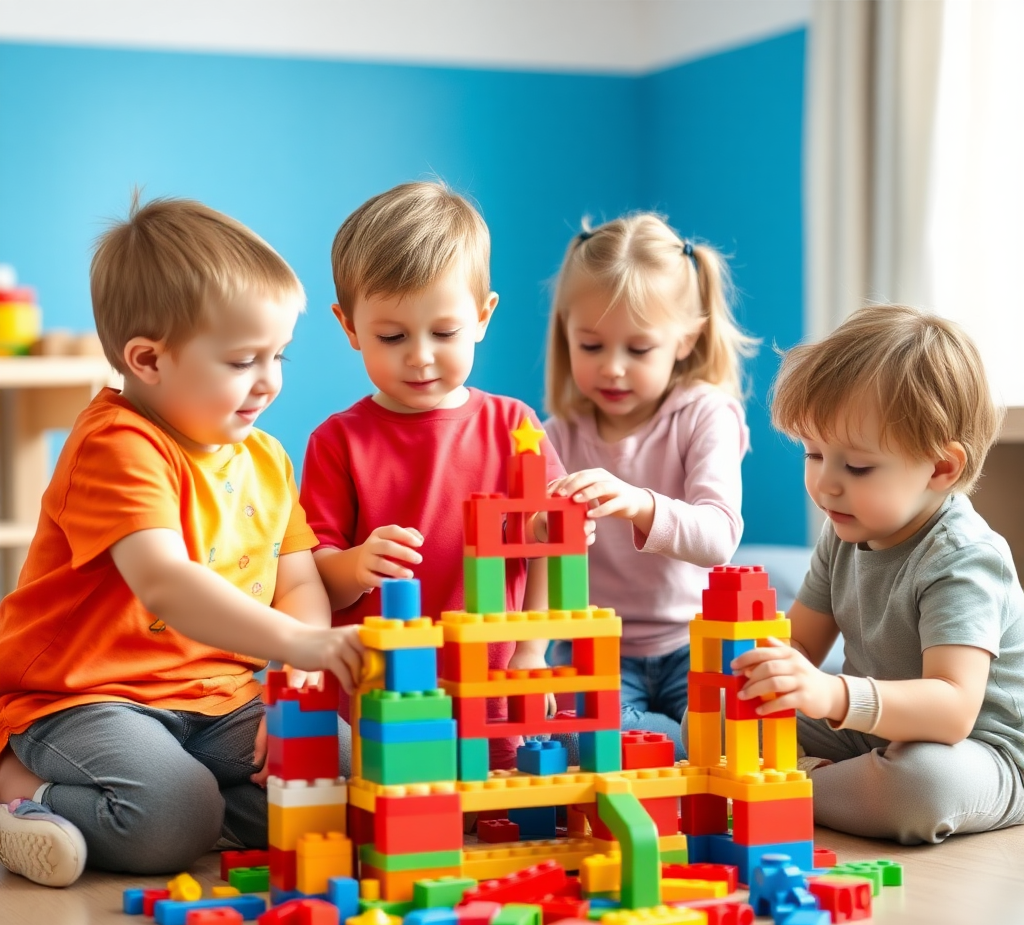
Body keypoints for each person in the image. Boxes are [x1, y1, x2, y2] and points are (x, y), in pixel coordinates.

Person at [0, 197, 363, 887]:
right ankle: (20, 790)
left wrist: (294, 675)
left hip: (215, 697)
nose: (269, 380)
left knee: (338, 775)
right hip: (85, 697)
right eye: (242, 360)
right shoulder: (118, 445)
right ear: (148, 360)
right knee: (172, 816)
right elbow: (165, 581)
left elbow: (299, 582)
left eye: (278, 354)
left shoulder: (265, 457)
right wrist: (302, 644)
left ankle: (182, 809)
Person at [733, 304, 1024, 844]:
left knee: (921, 786)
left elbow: (953, 709)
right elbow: (799, 643)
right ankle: (813, 783)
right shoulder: (843, 534)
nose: (825, 484)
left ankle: (787, 789)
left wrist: (832, 696)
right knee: (722, 713)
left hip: (979, 752)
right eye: (813, 454)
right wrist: (760, 666)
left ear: (942, 468)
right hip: (871, 732)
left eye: (857, 466)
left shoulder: (963, 557)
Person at [301, 181, 566, 772]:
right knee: (385, 811)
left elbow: (549, 545)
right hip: (379, 689)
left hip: (490, 685)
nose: (419, 356)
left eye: (442, 333)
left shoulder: (513, 426)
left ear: (482, 316)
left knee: (492, 814)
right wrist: (355, 563)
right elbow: (309, 579)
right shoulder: (338, 441)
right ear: (348, 328)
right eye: (391, 337)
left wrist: (531, 651)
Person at [543, 215, 756, 759]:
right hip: (597, 651)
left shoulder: (706, 415)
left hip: (695, 646)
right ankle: (681, 745)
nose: (613, 369)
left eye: (638, 350)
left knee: (748, 727)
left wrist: (639, 502)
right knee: (577, 734)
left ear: (685, 342)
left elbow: (718, 536)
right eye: (591, 346)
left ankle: (681, 743)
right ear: (566, 332)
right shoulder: (555, 435)